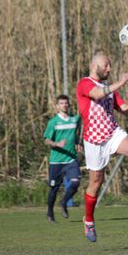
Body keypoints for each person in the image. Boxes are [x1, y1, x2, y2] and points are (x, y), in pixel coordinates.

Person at [77, 51, 128, 243]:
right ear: (95, 66)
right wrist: (119, 83)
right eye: (106, 65)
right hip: (94, 140)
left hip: (112, 133)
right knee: (96, 182)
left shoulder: (109, 89)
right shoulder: (85, 83)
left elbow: (126, 111)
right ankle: (88, 220)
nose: (109, 69)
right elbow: (96, 94)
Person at [43, 94, 82, 222]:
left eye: (66, 103)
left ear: (69, 104)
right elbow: (47, 140)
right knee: (54, 188)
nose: (64, 105)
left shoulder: (75, 119)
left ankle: (64, 203)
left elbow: (76, 134)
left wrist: (78, 143)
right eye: (61, 103)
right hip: (57, 160)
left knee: (76, 182)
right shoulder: (53, 122)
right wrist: (56, 144)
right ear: (57, 106)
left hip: (71, 159)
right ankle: (50, 213)